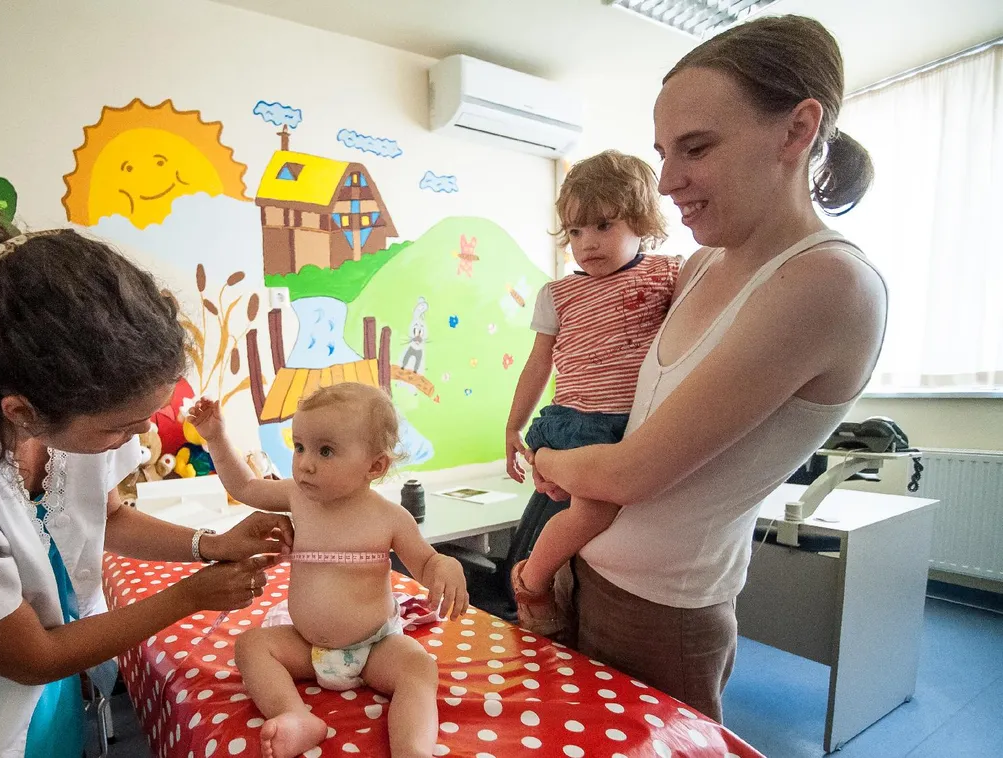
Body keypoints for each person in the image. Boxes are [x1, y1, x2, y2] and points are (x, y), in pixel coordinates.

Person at [519, 14, 887, 721]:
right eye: (661, 151)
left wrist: (546, 454)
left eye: (696, 147)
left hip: (662, 609)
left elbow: (632, 474)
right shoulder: (699, 266)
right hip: (592, 568)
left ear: (795, 130)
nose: (666, 179)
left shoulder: (826, 283)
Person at [0, 211, 293, 758]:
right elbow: (34, 658)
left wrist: (207, 547)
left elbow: (108, 517)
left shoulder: (80, 405)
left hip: (49, 680)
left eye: (145, 415)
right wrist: (190, 596)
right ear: (21, 412)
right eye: (121, 427)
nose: (141, 433)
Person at [187, 385, 468, 758]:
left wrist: (445, 565)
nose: (305, 462)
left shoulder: (390, 518)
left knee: (419, 667)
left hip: (374, 648)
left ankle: (412, 749)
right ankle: (296, 716)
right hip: (306, 645)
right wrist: (217, 438)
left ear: (375, 466)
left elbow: (426, 562)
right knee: (251, 645)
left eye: (326, 450)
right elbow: (245, 486)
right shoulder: (297, 498)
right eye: (299, 446)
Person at [503, 150, 679, 636]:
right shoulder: (558, 294)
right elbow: (539, 362)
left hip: (637, 422)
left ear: (642, 222)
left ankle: (549, 580)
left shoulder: (666, 274)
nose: (588, 244)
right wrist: (513, 426)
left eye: (604, 226)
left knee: (607, 510)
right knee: (592, 511)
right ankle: (531, 580)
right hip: (579, 422)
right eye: (576, 232)